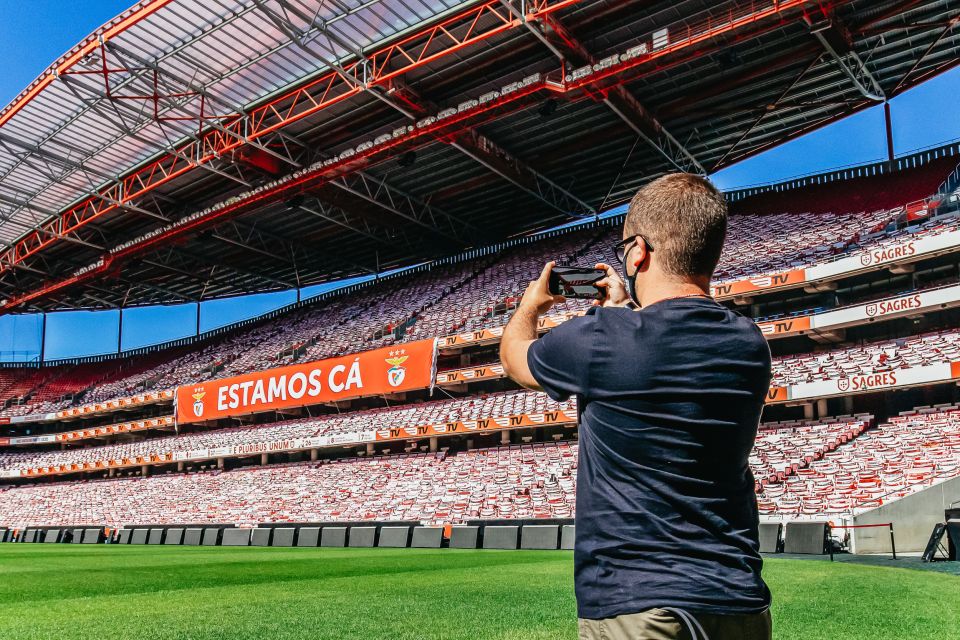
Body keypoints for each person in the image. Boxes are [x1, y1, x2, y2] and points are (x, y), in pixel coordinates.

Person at [500, 173, 773, 640]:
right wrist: (625, 311)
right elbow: (658, 354)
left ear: (638, 251)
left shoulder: (601, 338)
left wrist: (531, 306)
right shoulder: (748, 343)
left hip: (638, 601)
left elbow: (516, 359)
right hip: (737, 599)